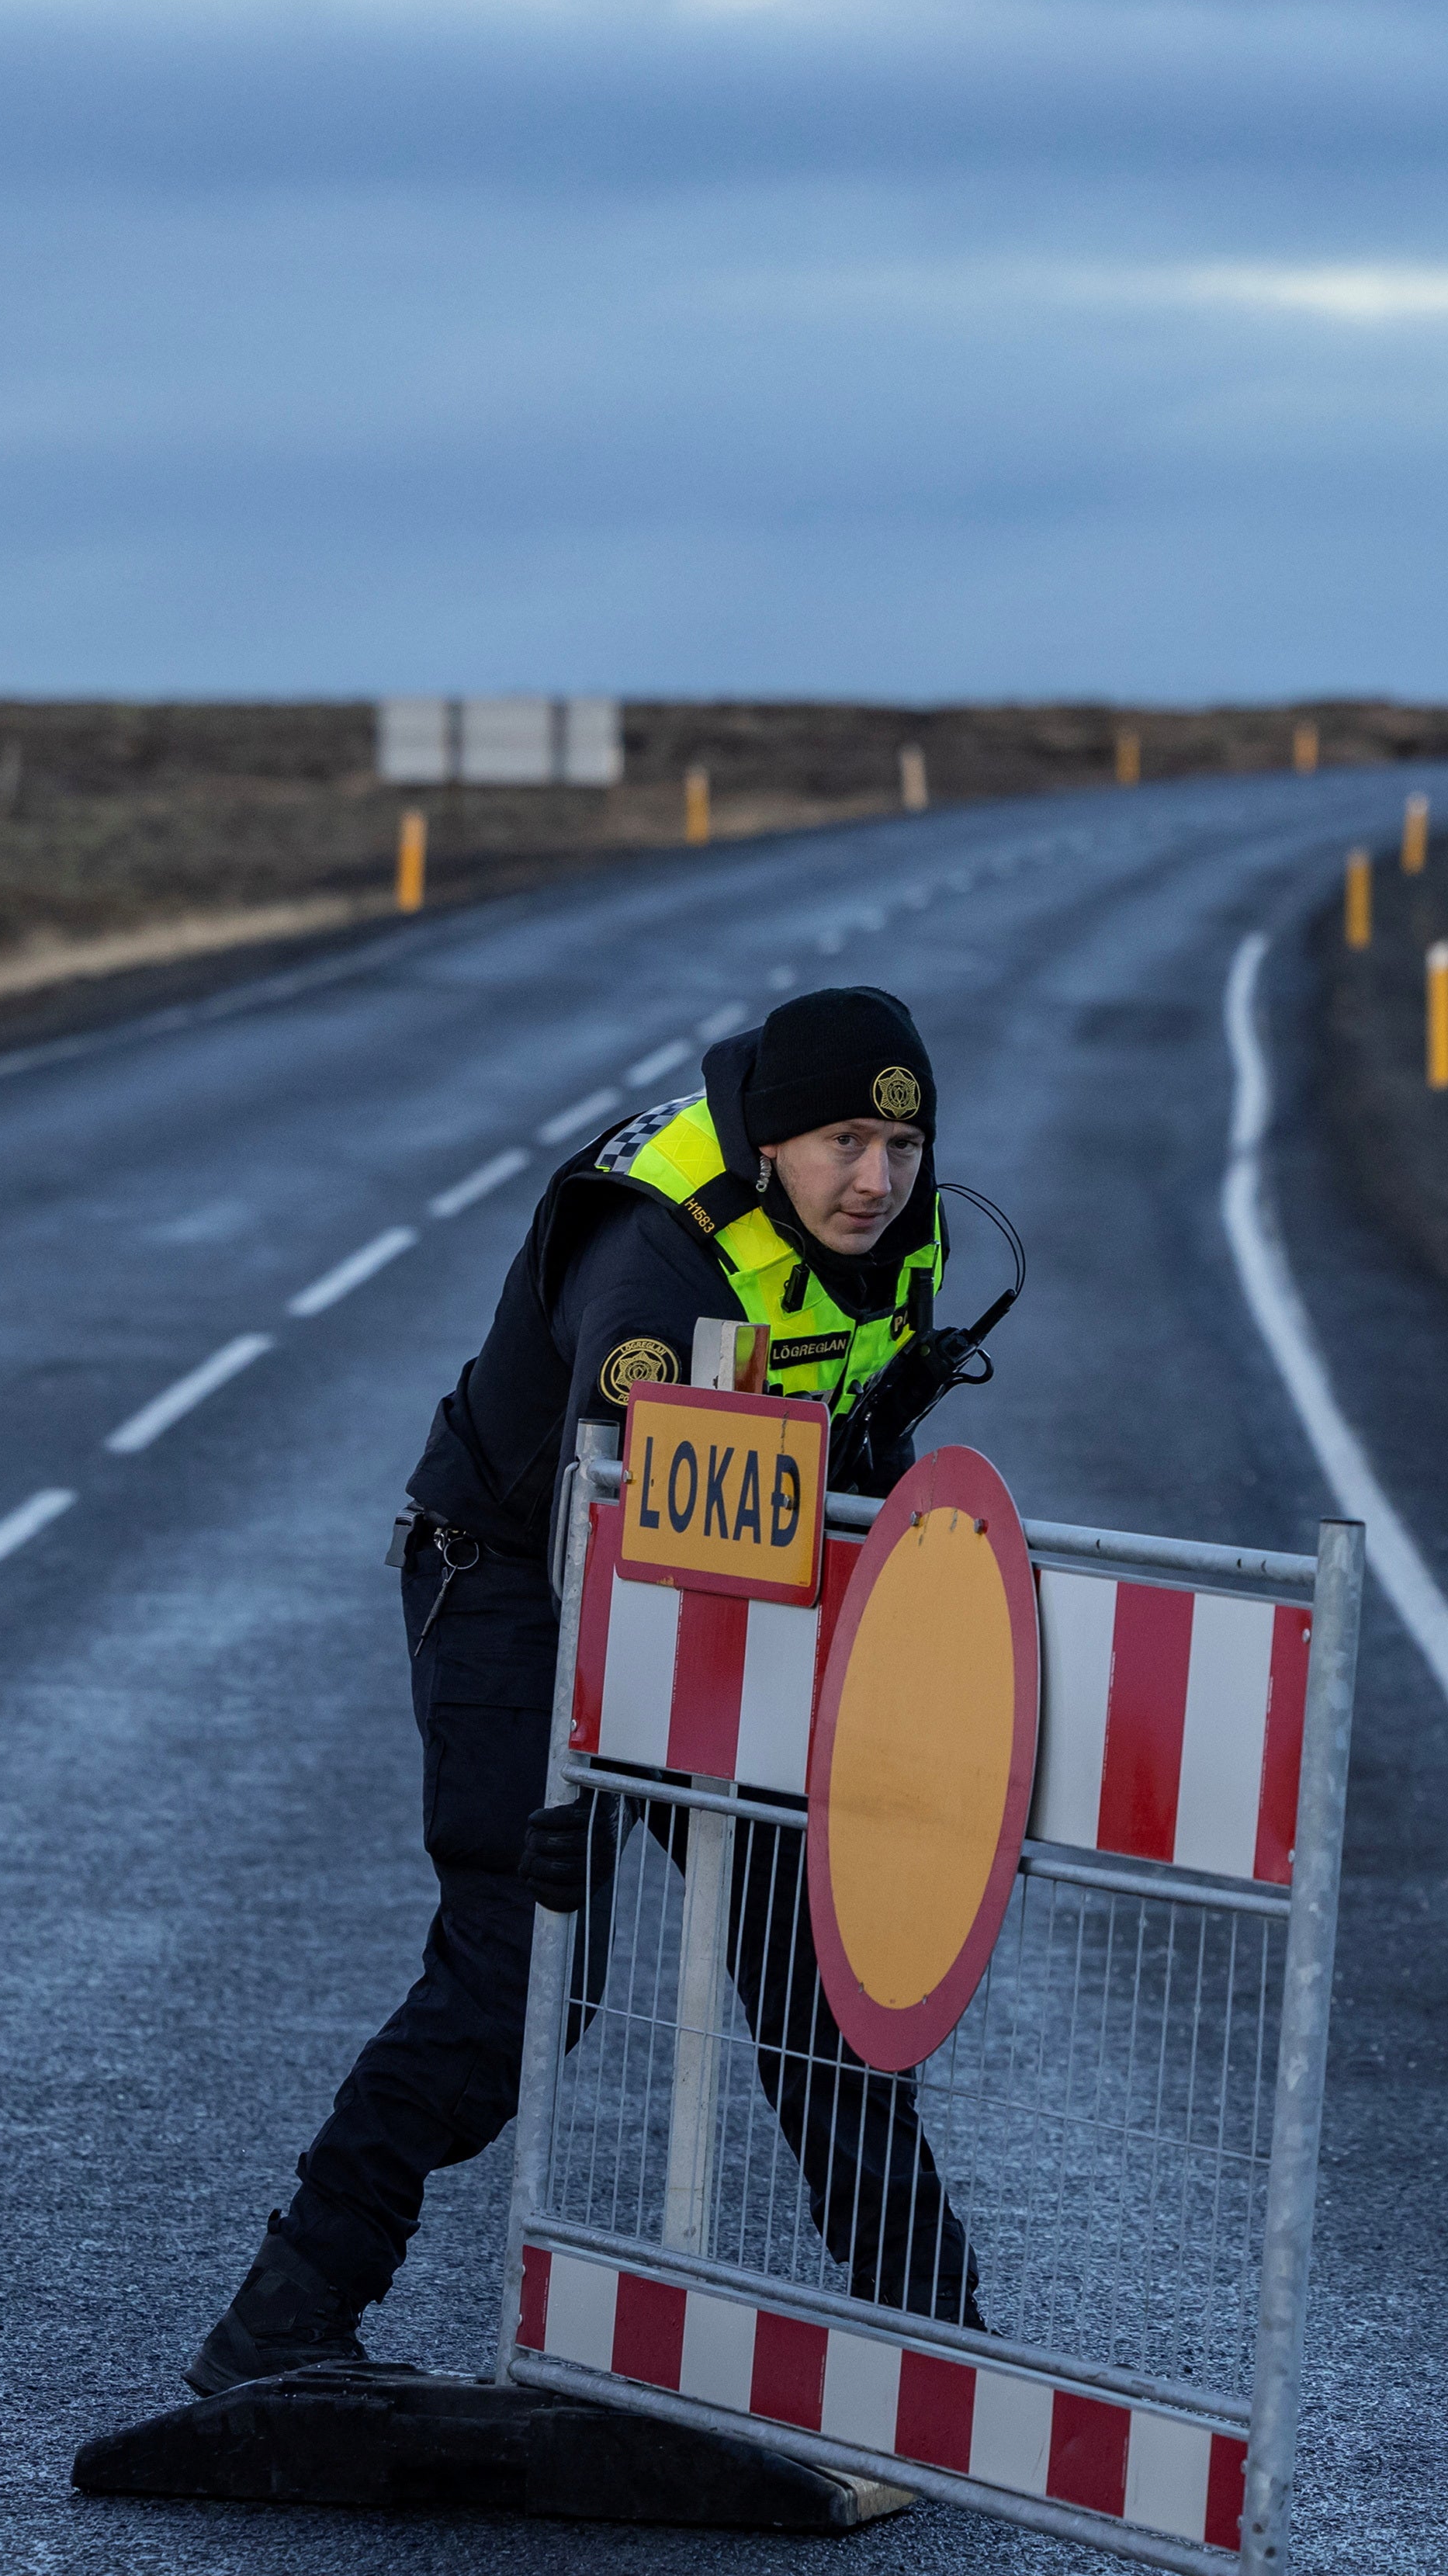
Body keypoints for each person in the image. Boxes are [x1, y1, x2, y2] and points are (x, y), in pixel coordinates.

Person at [188, 986, 989, 2393]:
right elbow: (606, 1536)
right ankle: (283, 2321)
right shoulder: (655, 1263)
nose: (876, 1181)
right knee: (520, 1981)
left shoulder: (893, 1228)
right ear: (771, 1141)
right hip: (522, 1581)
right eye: (845, 1144)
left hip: (736, 1589)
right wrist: (589, 1777)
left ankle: (937, 2339)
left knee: (812, 1966)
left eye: (901, 1150)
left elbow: (858, 1458)